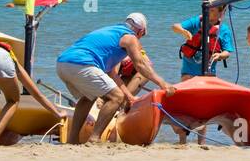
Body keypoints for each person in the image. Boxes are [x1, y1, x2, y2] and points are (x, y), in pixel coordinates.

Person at [55, 13, 173, 144]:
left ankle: (72, 140)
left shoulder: (113, 32)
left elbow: (112, 74)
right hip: (81, 63)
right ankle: (94, 139)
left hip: (62, 64)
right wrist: (163, 84)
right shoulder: (130, 38)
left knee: (89, 97)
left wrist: (129, 97)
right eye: (143, 35)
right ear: (140, 31)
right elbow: (140, 65)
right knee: (116, 97)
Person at [172, 3, 234, 79]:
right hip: (189, 72)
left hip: (209, 73)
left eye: (212, 10)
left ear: (221, 13)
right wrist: (183, 31)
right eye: (207, 9)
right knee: (187, 80)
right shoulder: (197, 21)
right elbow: (175, 26)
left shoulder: (224, 30)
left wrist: (220, 55)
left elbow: (227, 52)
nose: (207, 12)